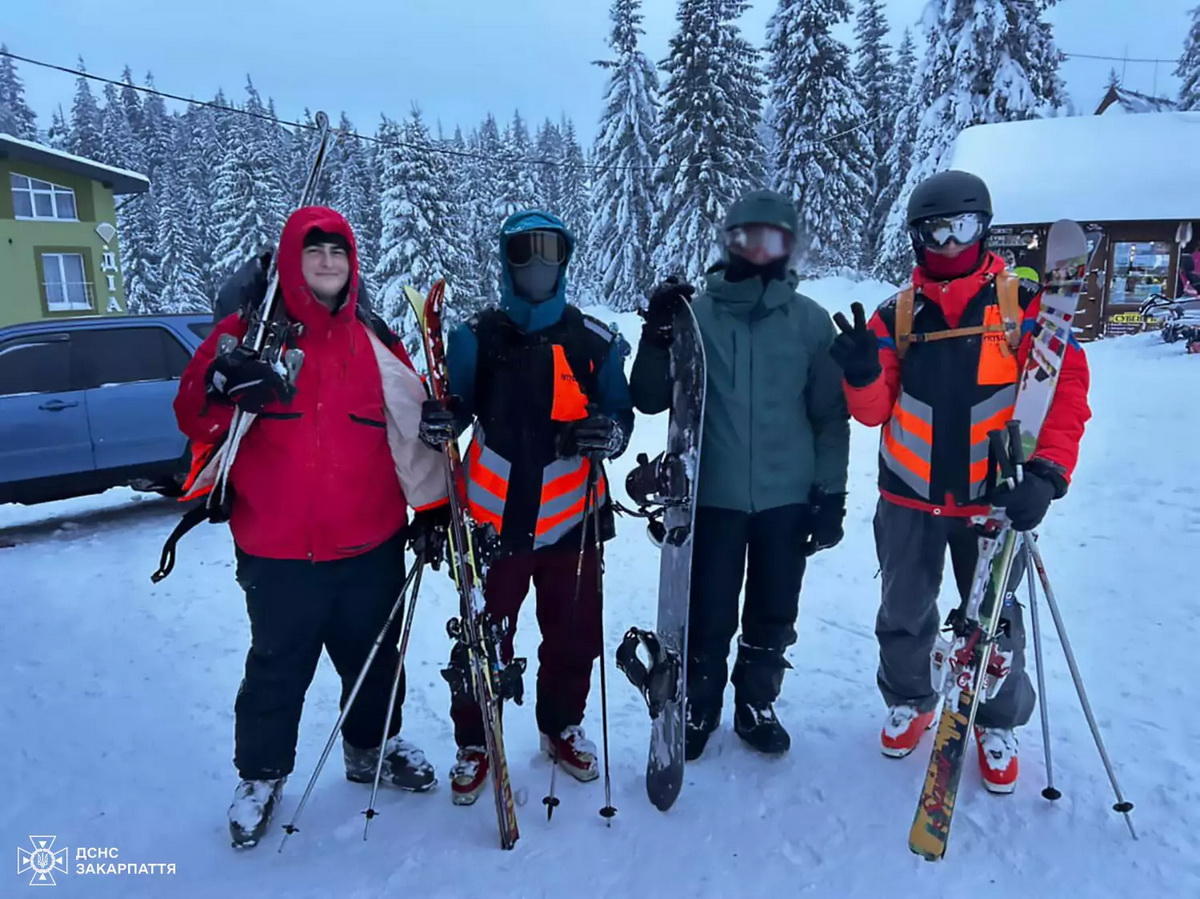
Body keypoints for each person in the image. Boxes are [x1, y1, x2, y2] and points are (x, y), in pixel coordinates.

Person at [174, 205, 452, 842]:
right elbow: (193, 415)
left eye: (339, 252)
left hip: (370, 543)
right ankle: (262, 775)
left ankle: (371, 749)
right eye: (314, 250)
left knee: (376, 662)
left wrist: (434, 504)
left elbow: (413, 428)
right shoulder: (248, 335)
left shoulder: (374, 340)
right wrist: (224, 380)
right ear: (291, 259)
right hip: (276, 548)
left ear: (352, 264)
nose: (328, 262)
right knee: (277, 665)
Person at [828, 170, 1091, 793]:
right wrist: (862, 375)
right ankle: (912, 699)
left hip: (991, 501)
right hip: (908, 496)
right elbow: (872, 412)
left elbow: (1065, 392)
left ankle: (995, 718)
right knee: (903, 610)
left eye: (962, 228)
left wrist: (1047, 475)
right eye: (933, 231)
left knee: (996, 618)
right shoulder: (895, 315)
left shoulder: (1020, 307)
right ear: (916, 237)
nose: (947, 244)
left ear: (984, 228)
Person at [417, 209, 635, 805]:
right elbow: (455, 403)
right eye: (523, 251)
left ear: (564, 259)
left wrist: (609, 434)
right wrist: (441, 421)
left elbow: (620, 411)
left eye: (549, 251)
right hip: (492, 522)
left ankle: (560, 724)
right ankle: (476, 740)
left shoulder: (594, 339)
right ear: (506, 260)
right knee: (484, 637)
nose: (537, 264)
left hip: (572, 521)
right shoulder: (476, 336)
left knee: (572, 635)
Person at [627, 189, 851, 759]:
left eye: (772, 239)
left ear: (788, 247)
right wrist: (657, 334)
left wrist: (830, 493)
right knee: (709, 611)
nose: (758, 251)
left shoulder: (809, 323)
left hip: (787, 497)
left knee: (774, 610)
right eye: (746, 239)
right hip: (713, 496)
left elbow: (829, 415)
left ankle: (756, 702)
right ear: (728, 244)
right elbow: (650, 398)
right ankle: (700, 706)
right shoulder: (695, 315)